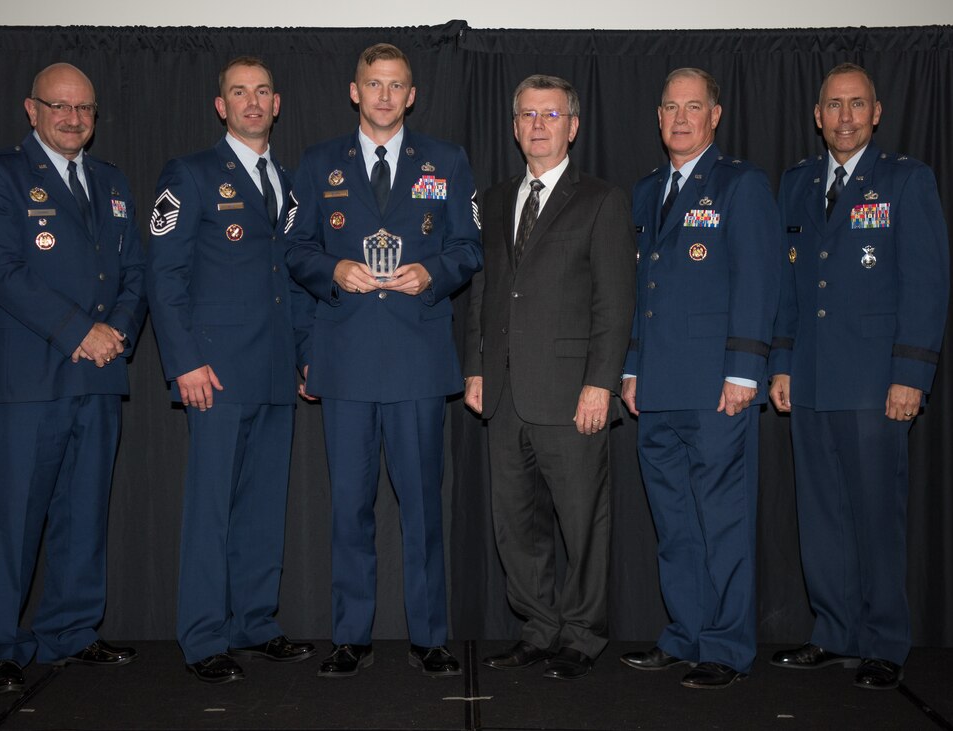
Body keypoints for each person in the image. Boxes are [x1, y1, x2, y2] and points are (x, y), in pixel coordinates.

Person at [284, 43, 482, 678]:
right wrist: (334, 269)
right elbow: (294, 249)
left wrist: (433, 273)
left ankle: (430, 637)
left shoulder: (446, 160)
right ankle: (350, 636)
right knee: (349, 506)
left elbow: (470, 246)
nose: (385, 95)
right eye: (374, 84)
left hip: (418, 360)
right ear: (354, 91)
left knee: (422, 506)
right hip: (345, 360)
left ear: (412, 95)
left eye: (396, 85)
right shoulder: (318, 162)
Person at [0, 62, 146, 693]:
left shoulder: (112, 181)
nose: (73, 118)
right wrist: (79, 332)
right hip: (29, 381)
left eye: (84, 108)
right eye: (59, 106)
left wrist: (115, 331)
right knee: (16, 519)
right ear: (32, 109)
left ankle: (70, 631)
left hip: (100, 374)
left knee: (85, 514)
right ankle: (2, 644)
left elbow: (134, 273)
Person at [768, 63, 949, 691]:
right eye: (833, 105)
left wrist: (911, 374)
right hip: (811, 378)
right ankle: (834, 632)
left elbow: (926, 284)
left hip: (876, 383)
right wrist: (782, 362)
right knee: (820, 517)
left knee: (876, 517)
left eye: (857, 104)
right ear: (817, 116)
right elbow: (788, 285)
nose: (845, 117)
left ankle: (884, 641)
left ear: (876, 113)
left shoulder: (905, 180)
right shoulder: (795, 182)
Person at [147, 56, 315, 684]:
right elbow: (165, 275)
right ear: (221, 106)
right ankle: (202, 636)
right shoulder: (190, 174)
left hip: (274, 369)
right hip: (214, 372)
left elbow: (293, 279)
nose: (252, 102)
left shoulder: (288, 183)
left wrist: (305, 355)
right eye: (239, 93)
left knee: (264, 507)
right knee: (211, 510)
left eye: (262, 91)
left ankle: (254, 623)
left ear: (277, 103)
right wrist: (184, 361)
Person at [463, 75, 635, 681]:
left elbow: (616, 301)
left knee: (582, 523)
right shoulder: (492, 200)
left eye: (551, 115)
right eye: (528, 116)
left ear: (573, 126)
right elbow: (483, 292)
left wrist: (601, 383)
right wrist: (476, 367)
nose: (538, 125)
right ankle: (537, 630)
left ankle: (582, 636)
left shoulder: (602, 201)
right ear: (514, 127)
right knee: (516, 525)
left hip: (572, 394)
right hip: (505, 392)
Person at [618, 68, 781, 689]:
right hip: (657, 387)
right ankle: (685, 634)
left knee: (722, 520)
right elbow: (640, 290)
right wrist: (631, 367)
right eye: (670, 107)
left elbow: (758, 280)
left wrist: (744, 371)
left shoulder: (741, 184)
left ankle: (726, 646)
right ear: (658, 118)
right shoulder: (646, 190)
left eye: (693, 107)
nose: (681, 118)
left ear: (716, 115)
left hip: (718, 386)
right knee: (674, 522)